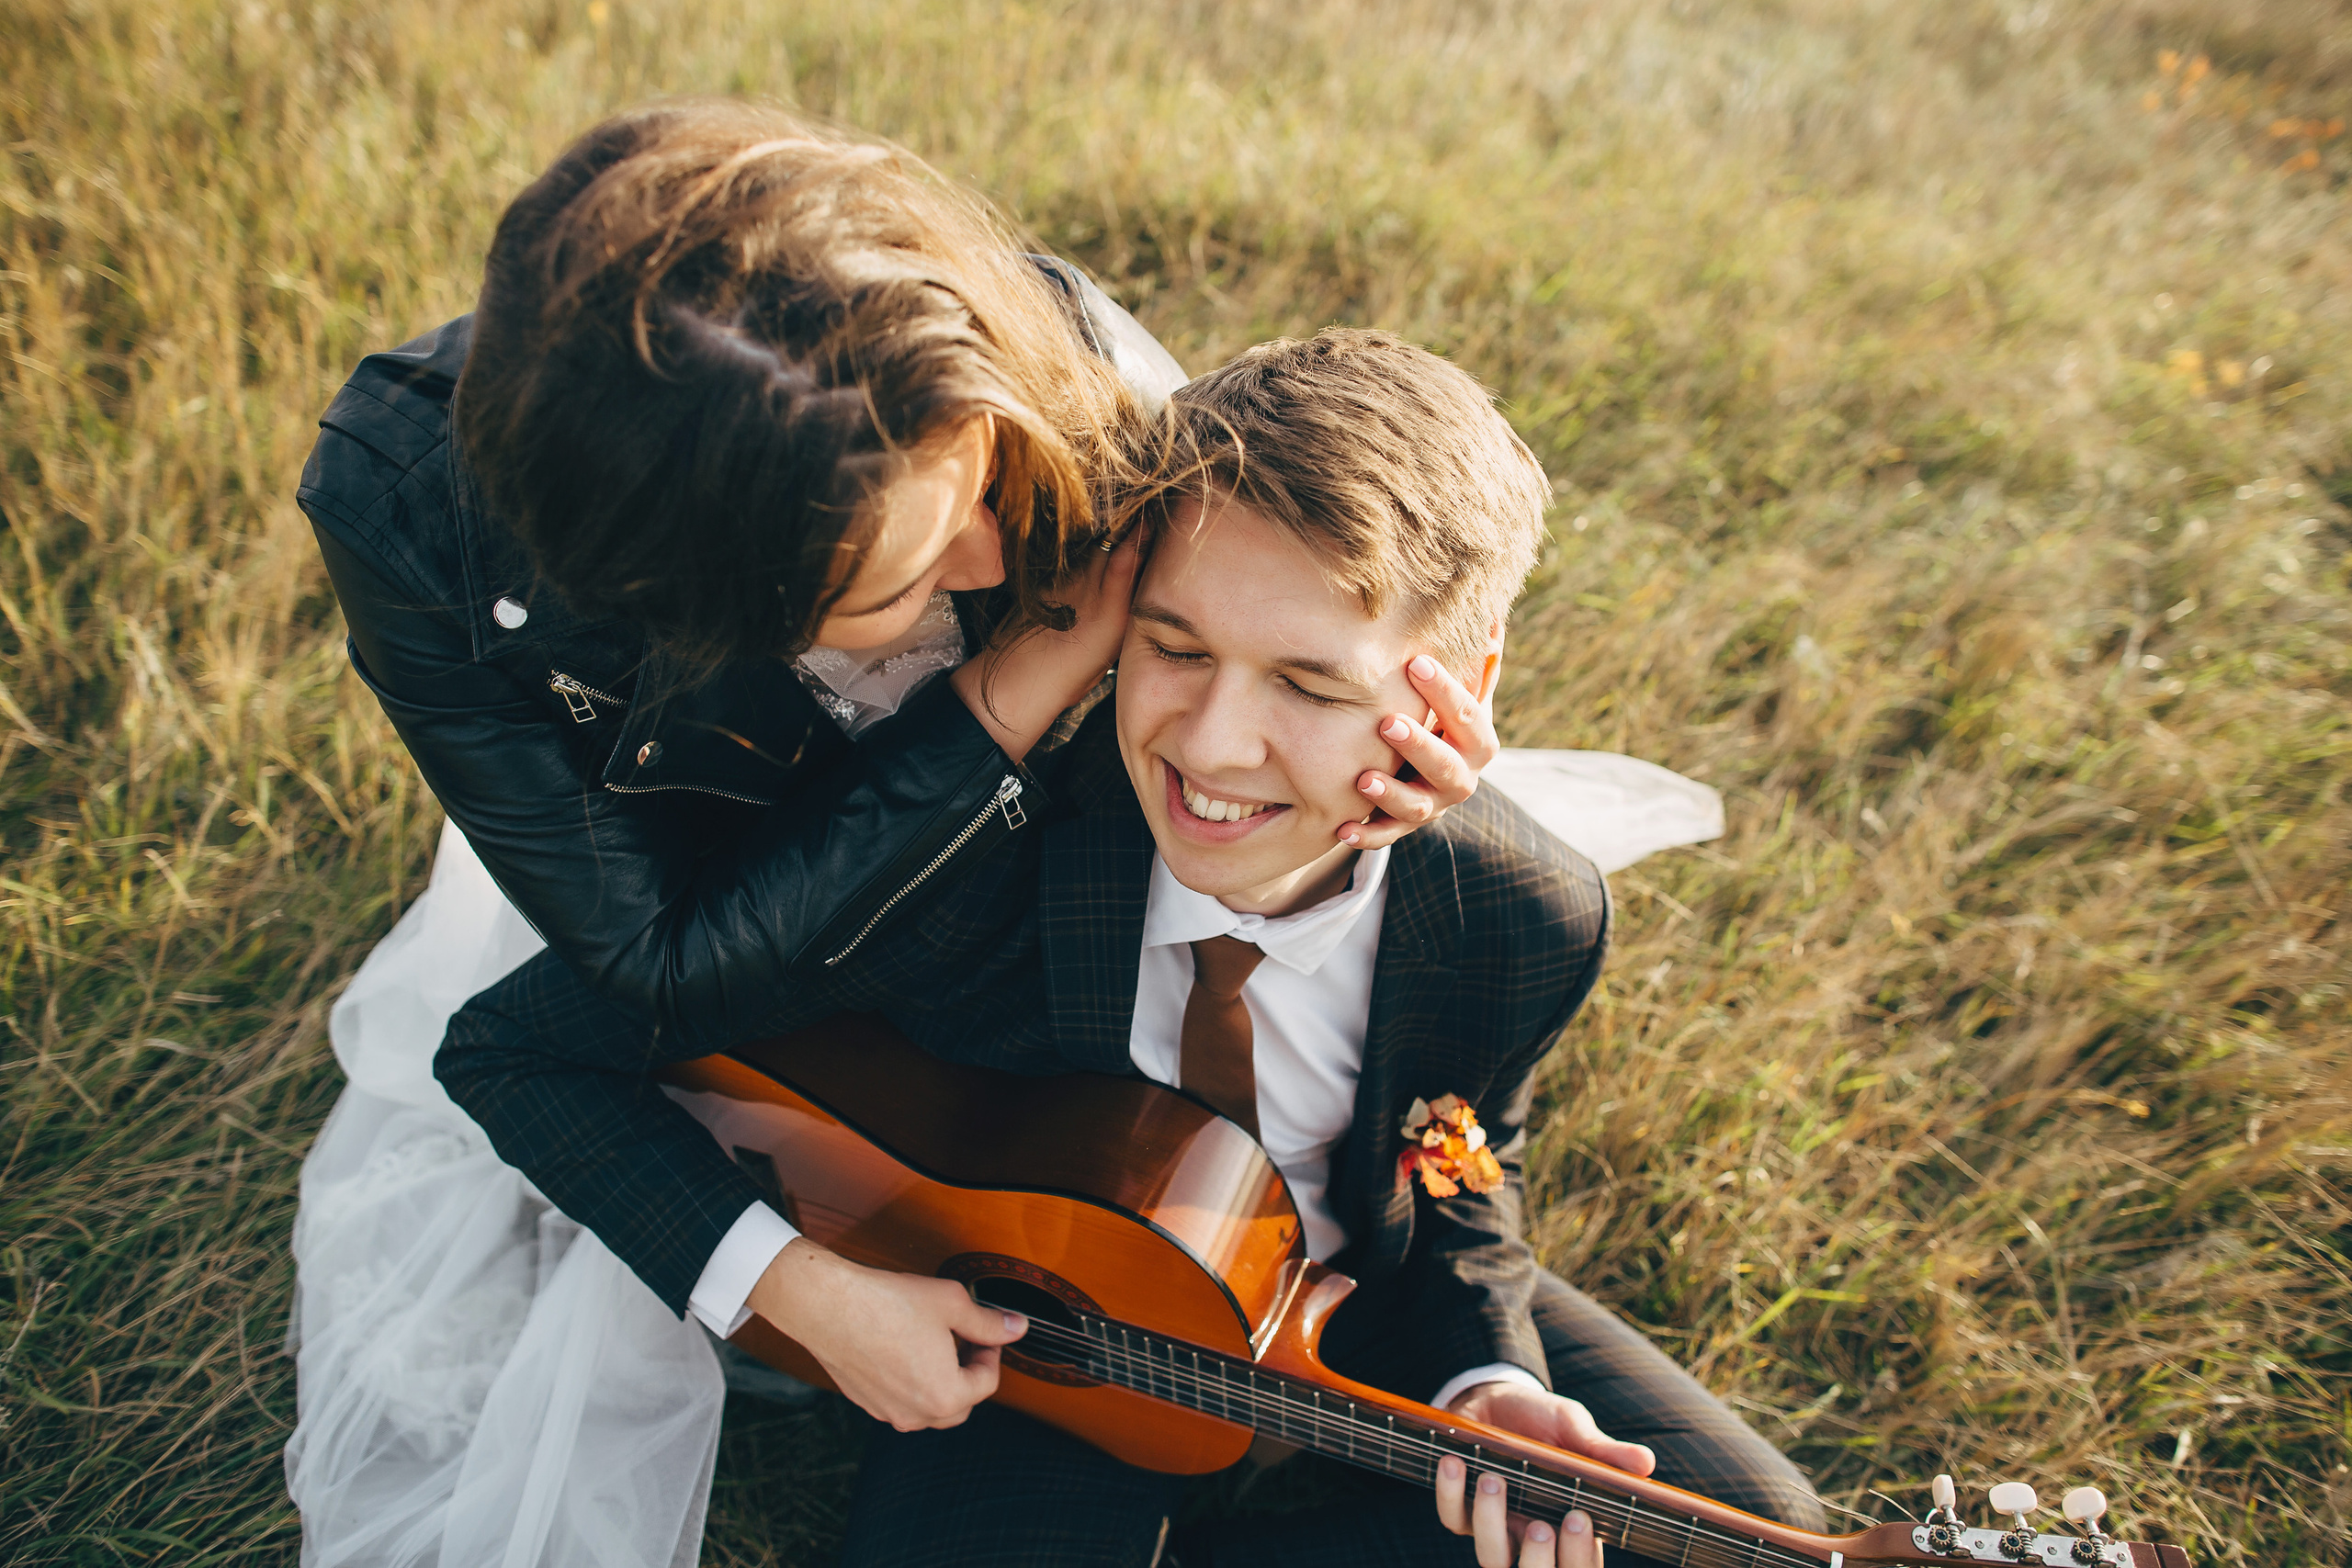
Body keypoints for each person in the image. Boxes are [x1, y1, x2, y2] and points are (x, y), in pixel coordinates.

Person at [284, 103, 1498, 1567]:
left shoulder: (1065, 397)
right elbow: (657, 971)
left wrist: (1363, 760)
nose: (1006, 559)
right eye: (913, 572)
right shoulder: (414, 514)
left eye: (986, 476)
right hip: (709, 876)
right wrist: (1007, 689)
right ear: (717, 613)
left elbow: (1254, 634)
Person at [442, 330, 1816, 1567]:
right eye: (1175, 649)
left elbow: (1461, 1147)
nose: (1213, 749)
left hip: (1347, 1280)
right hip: (1041, 1339)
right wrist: (800, 1289)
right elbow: (514, 1052)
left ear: (1466, 684)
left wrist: (1486, 1380)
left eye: (1309, 683)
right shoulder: (968, 848)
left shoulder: (1518, 912)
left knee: (1750, 1534)